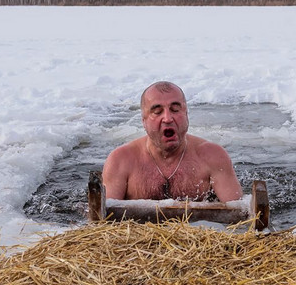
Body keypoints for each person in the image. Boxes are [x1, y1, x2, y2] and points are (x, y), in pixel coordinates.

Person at [101, 81, 243, 202]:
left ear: (186, 114)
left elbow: (240, 217)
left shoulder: (213, 156)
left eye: (175, 110)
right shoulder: (121, 160)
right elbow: (102, 223)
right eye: (157, 112)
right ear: (144, 121)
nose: (168, 118)